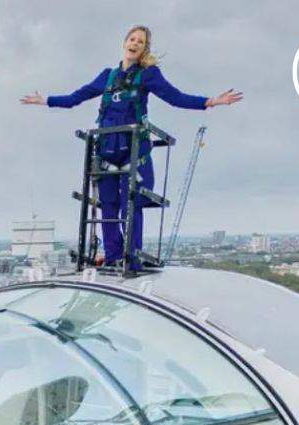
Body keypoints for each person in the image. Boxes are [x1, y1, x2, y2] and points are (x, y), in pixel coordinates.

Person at [21, 25, 242, 269]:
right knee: (108, 207)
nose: (135, 44)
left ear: (144, 49)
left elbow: (175, 97)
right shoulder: (107, 76)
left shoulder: (148, 75)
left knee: (131, 204)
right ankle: (113, 256)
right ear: (125, 42)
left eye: (141, 42)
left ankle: (131, 257)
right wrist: (46, 101)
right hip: (107, 152)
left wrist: (211, 102)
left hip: (134, 153)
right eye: (132, 39)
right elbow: (77, 97)